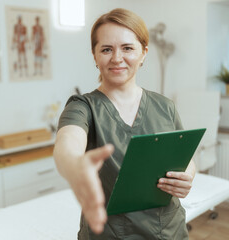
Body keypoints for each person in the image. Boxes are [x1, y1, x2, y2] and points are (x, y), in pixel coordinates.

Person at [53, 8, 194, 239]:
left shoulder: (165, 106)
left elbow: (186, 156)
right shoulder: (82, 106)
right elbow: (67, 143)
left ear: (144, 53)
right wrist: (74, 166)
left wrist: (187, 176)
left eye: (127, 48)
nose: (117, 58)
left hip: (169, 231)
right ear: (95, 55)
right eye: (106, 49)